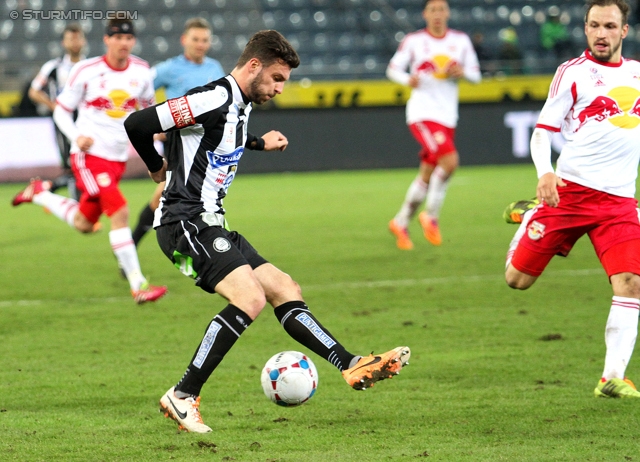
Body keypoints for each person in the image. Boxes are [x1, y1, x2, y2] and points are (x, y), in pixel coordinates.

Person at [124, 30, 411, 433]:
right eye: (277, 78)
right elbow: (138, 122)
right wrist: (157, 168)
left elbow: (220, 137)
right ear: (254, 66)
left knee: (283, 286)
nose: (279, 88)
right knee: (250, 297)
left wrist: (260, 143)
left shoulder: (239, 106)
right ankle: (183, 395)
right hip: (183, 223)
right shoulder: (213, 97)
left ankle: (349, 364)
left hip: (211, 222)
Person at [503, 0, 640, 398]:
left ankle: (611, 377)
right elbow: (543, 129)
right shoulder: (573, 74)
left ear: (624, 31)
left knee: (630, 283)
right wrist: (545, 172)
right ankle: (532, 215)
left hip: (618, 203)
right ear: (585, 29)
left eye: (609, 26)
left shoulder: (636, 74)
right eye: (594, 25)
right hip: (571, 194)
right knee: (517, 280)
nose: (602, 33)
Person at [11, 18, 167, 305]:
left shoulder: (142, 72)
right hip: (88, 156)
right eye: (118, 38)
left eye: (129, 39)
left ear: (133, 42)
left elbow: (147, 116)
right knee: (119, 211)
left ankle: (40, 194)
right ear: (106, 40)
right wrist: (75, 135)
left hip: (116, 159)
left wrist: (154, 151)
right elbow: (61, 111)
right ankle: (138, 284)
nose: (124, 43)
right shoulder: (87, 71)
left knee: (84, 222)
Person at [386, 0, 481, 250]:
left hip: (448, 115)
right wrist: (409, 79)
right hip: (422, 113)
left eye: (441, 9)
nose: (437, 14)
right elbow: (393, 69)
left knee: (426, 175)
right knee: (450, 162)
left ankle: (400, 222)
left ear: (448, 13)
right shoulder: (414, 40)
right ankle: (431, 215)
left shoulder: (460, 40)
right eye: (433, 10)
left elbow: (476, 75)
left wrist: (462, 73)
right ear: (425, 14)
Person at [131, 17, 225, 248]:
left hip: (207, 144)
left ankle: (134, 246)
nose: (200, 44)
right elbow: (138, 92)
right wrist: (154, 126)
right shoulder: (169, 68)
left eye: (204, 40)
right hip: (179, 142)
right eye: (196, 39)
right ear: (185, 40)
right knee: (166, 194)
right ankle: (132, 246)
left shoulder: (215, 68)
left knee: (188, 194)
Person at [28, 23, 86, 200]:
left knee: (87, 162)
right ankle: (77, 204)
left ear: (83, 41)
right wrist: (53, 106)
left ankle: (45, 188)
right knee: (71, 165)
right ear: (63, 43)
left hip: (88, 120)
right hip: (64, 121)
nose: (74, 43)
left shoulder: (90, 66)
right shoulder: (54, 67)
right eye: (70, 39)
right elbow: (34, 91)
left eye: (77, 38)